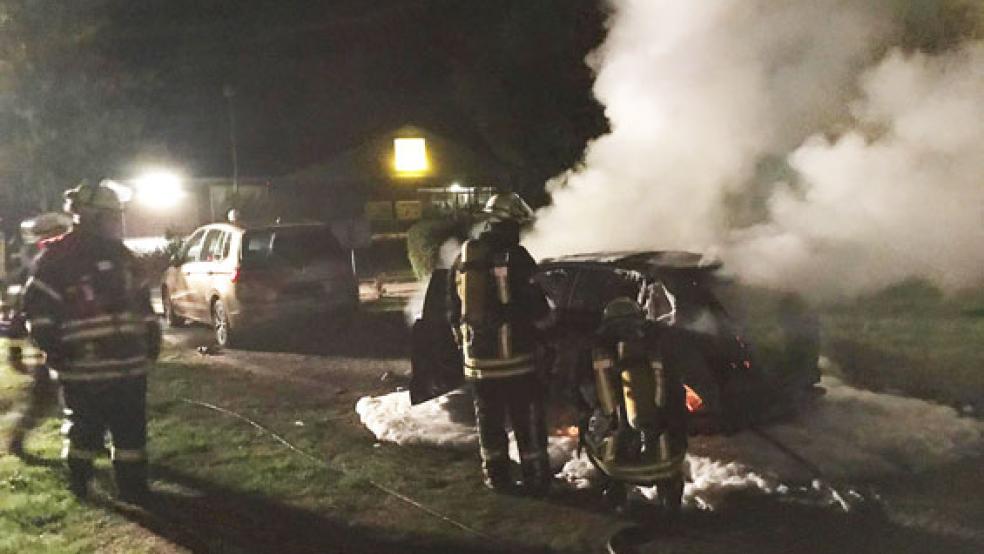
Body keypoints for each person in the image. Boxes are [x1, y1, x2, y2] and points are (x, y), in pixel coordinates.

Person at [22, 180, 161, 502]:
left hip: (128, 367)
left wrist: (151, 335)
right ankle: (81, 484)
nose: (117, 223)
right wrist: (54, 347)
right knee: (84, 431)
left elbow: (142, 302)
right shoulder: (57, 258)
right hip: (82, 368)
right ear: (91, 216)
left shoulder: (123, 256)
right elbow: (39, 308)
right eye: (112, 217)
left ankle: (134, 490)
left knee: (131, 433)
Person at [448, 192, 552, 495]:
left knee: (489, 421)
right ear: (510, 223)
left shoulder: (465, 258)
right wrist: (546, 330)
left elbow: (452, 307)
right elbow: (537, 307)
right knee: (527, 420)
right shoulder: (517, 257)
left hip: (479, 363)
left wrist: (465, 344)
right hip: (517, 359)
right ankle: (536, 477)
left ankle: (497, 477)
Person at [580, 297, 688, 516]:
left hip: (617, 466)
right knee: (674, 430)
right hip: (667, 462)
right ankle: (670, 499)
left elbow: (583, 392)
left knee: (589, 433)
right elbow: (677, 391)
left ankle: (615, 494)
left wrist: (596, 416)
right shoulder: (658, 348)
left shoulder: (596, 352)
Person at [2, 213, 72, 456]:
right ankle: (16, 440)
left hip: (65, 341)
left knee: (61, 396)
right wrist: (15, 350)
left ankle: (87, 441)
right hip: (47, 346)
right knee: (43, 396)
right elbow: (18, 315)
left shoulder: (56, 263)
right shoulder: (35, 269)